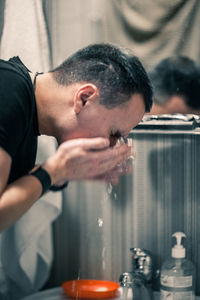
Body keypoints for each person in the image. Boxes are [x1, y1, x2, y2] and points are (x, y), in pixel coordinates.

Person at [0, 43, 152, 232]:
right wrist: (53, 171)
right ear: (84, 98)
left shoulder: (23, 107)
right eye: (114, 133)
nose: (111, 145)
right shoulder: (7, 89)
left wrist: (60, 175)